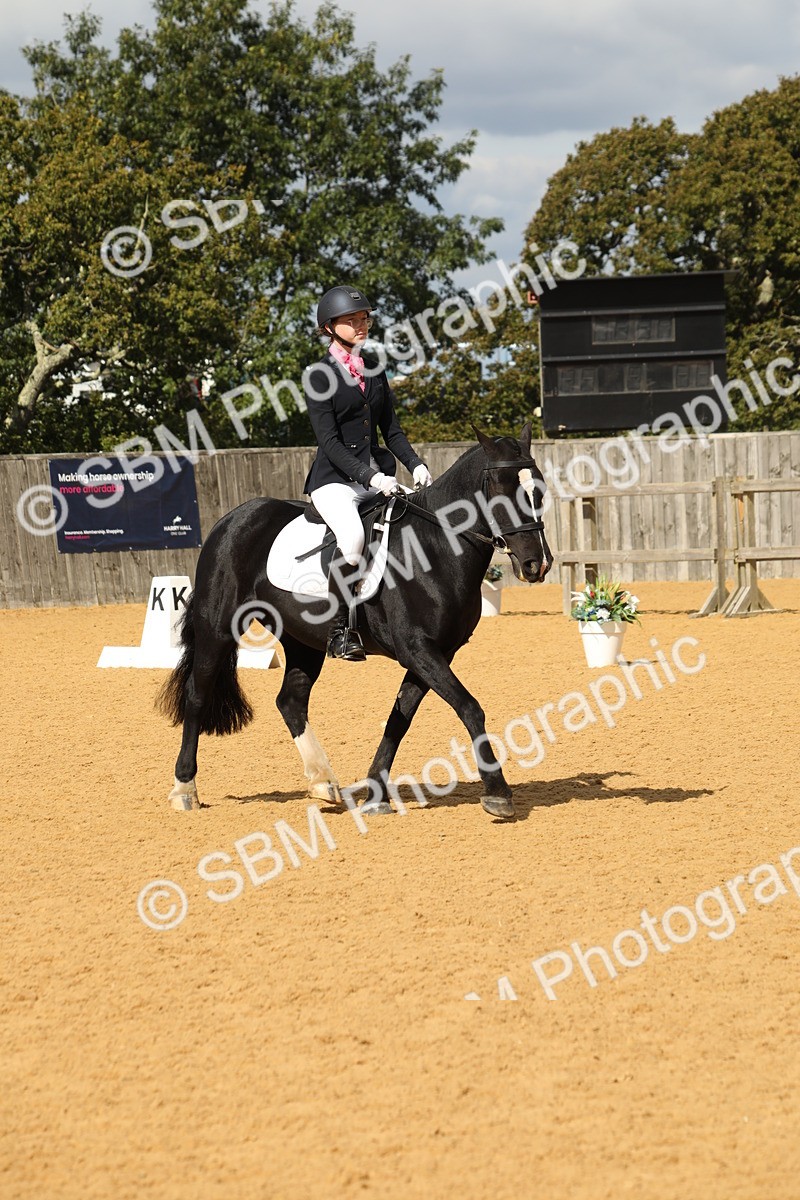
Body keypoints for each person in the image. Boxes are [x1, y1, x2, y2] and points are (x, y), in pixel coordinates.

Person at [303, 285, 433, 661]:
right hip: (334, 481)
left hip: (378, 476)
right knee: (353, 539)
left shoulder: (373, 368)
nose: (362, 325)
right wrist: (371, 477)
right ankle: (339, 631)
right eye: (352, 320)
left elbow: (391, 429)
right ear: (329, 327)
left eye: (364, 319)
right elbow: (329, 442)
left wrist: (416, 464)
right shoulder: (318, 376)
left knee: (414, 524)